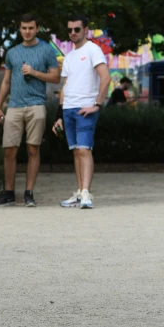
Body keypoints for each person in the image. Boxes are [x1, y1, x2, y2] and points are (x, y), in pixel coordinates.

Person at [0, 13, 60, 207]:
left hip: (36, 104)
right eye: (24, 28)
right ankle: (9, 192)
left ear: (37, 28)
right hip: (14, 105)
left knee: (33, 149)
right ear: (19, 29)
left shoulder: (46, 50)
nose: (27, 31)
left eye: (31, 28)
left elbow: (55, 78)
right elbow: (6, 81)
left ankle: (29, 192)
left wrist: (34, 73)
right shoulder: (12, 52)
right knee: (9, 150)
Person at [52, 13, 111, 209]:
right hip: (68, 108)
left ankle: (86, 193)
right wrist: (58, 116)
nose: (73, 33)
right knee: (76, 151)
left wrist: (97, 104)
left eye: (77, 29)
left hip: (85, 108)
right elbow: (65, 86)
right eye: (69, 30)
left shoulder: (93, 50)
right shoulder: (69, 56)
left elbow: (106, 78)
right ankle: (79, 193)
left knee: (85, 150)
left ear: (86, 29)